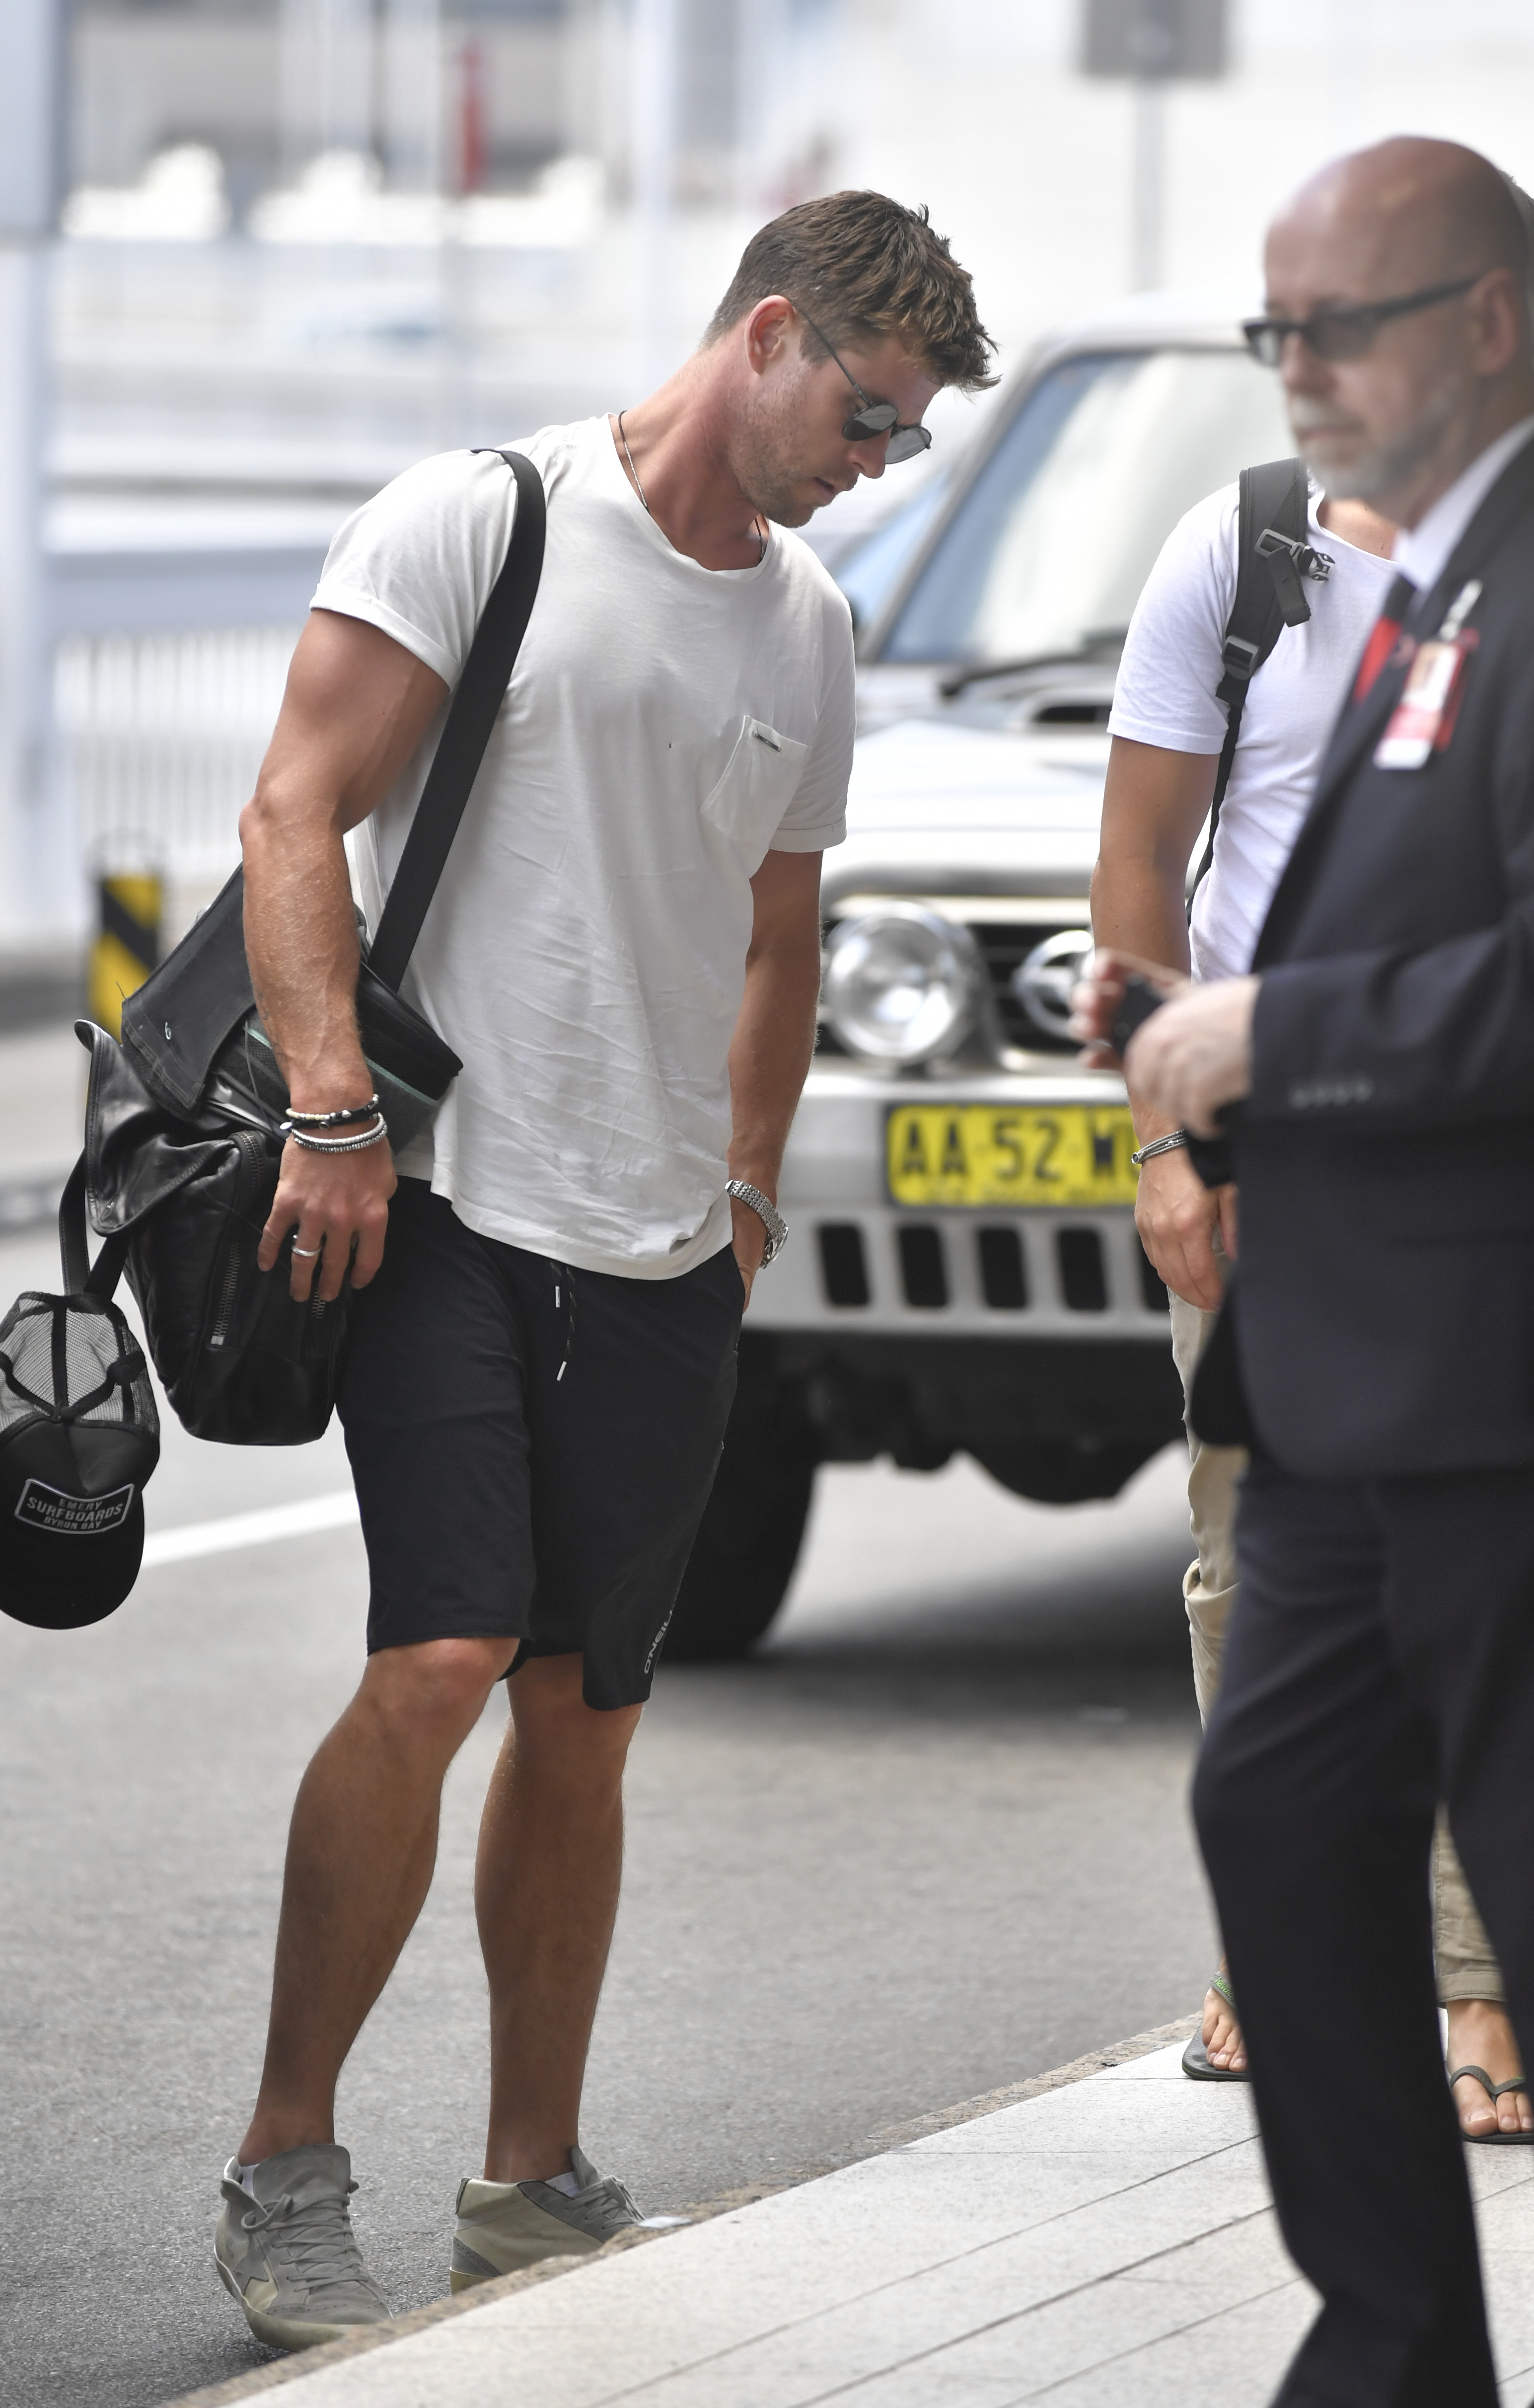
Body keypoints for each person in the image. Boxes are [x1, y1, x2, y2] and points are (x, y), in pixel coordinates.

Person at [211, 191, 995, 2353]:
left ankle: (527, 2183)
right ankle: (285, 2164)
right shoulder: (484, 522)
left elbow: (778, 933)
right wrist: (333, 1109)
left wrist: (743, 1189)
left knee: (587, 1712)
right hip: (442, 1195)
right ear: (767, 334)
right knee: (445, 1658)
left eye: (910, 437)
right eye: (866, 414)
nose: (876, 462)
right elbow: (294, 812)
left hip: (662, 1243)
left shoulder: (808, 624)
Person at [1076, 136, 1534, 2403]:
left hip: (1487, 1346)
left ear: (1491, 321)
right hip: (1337, 1340)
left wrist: (1285, 1033)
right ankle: (1393, 2353)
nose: (1297, 369)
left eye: (1339, 324)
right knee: (1273, 1807)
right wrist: (1182, 1102)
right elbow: (1180, 853)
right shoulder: (1394, 573)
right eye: (1276, 329)